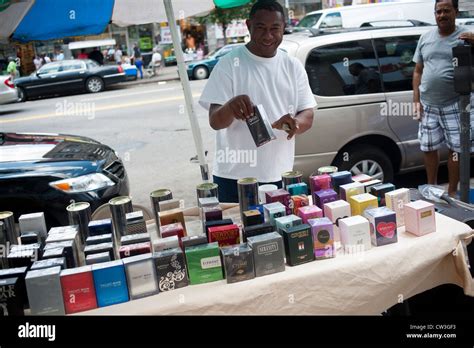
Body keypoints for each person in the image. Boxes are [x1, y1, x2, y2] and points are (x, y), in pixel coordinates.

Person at [199, 0, 316, 203]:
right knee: (236, 234)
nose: (268, 35)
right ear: (248, 25)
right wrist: (230, 107)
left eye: (275, 28)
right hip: (234, 178)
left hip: (279, 174)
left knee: (280, 231)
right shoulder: (228, 64)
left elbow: (308, 114)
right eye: (261, 28)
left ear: (284, 28)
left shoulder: (292, 66)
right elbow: (215, 122)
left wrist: (294, 124)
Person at [413, 0, 474, 197]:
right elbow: (417, 70)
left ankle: (452, 192)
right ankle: (431, 189)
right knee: (428, 147)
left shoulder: (466, 36)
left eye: (446, 10)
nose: (442, 15)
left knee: (455, 149)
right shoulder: (425, 37)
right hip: (428, 104)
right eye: (438, 11)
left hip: (455, 104)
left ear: (456, 12)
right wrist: (416, 99)